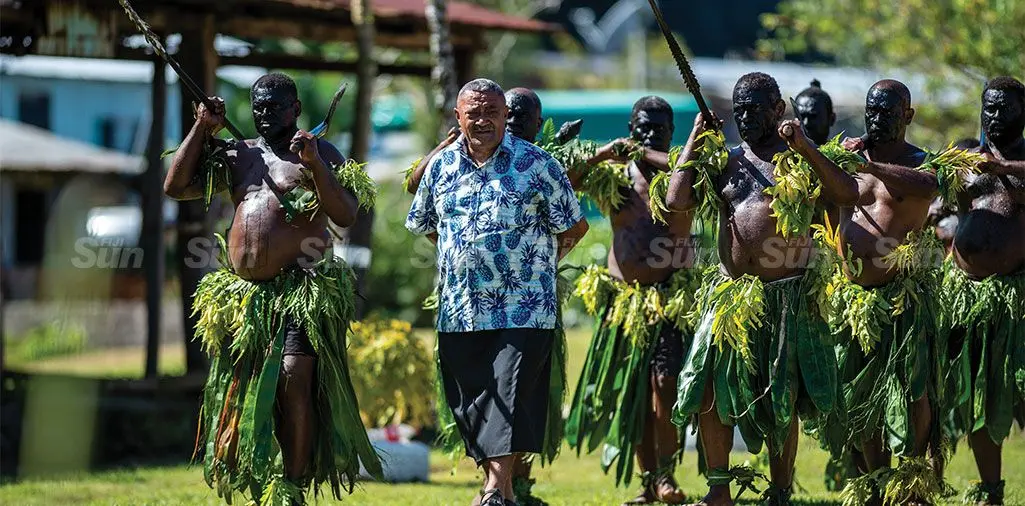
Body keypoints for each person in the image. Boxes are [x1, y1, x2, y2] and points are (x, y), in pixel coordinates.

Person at [164, 73, 380, 505]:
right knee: (256, 391)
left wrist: (315, 163)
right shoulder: (239, 155)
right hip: (248, 299)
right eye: (259, 107)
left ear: (296, 109)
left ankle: (293, 487)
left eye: (276, 107)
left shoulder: (320, 153)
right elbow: (176, 187)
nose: (265, 115)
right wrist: (202, 128)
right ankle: (265, 473)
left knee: (294, 378)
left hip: (304, 290)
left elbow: (346, 215)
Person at [405, 78, 589, 506]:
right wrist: (462, 255)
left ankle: (492, 489)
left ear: (507, 115)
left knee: (507, 391)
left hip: (523, 306)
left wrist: (540, 261)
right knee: (472, 401)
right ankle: (502, 492)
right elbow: (426, 224)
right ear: (458, 117)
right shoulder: (442, 166)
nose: (483, 120)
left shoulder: (537, 164)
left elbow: (575, 227)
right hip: (461, 308)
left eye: (492, 112)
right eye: (474, 113)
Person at [662, 72, 838, 506]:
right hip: (732, 298)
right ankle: (718, 488)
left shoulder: (800, 159)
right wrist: (695, 138)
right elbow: (676, 201)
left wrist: (805, 147)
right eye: (739, 110)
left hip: (787, 297)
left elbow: (847, 193)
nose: (746, 117)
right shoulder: (725, 160)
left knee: (783, 395)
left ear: (778, 110)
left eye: (756, 108)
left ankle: (779, 492)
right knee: (707, 389)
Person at [785, 79, 943, 504]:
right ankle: (874, 483)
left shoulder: (920, 161)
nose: (878, 118)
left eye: (888, 111)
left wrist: (871, 166)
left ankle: (911, 483)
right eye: (873, 110)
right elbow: (834, 192)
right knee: (855, 394)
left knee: (911, 391)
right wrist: (805, 148)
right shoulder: (846, 157)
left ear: (907, 116)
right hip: (852, 300)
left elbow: (929, 187)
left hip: (901, 298)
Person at [565, 95, 699, 506]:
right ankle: (650, 481)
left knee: (665, 384)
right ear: (630, 125)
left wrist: (651, 153)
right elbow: (562, 184)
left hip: (669, 297)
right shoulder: (614, 176)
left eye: (659, 128)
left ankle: (666, 473)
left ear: (671, 132)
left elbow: (685, 176)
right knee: (632, 390)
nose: (650, 133)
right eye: (643, 126)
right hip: (623, 300)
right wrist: (603, 153)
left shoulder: (683, 172)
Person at [943, 76, 1025, 506]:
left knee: (1021, 392)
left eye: (1004, 109)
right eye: (988, 108)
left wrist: (1004, 170)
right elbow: (955, 207)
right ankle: (991, 490)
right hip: (970, 296)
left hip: (1016, 301)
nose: (993, 117)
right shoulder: (966, 157)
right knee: (976, 396)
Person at [793, 79, 840, 228]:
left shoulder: (844, 162)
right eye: (801, 117)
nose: (806, 123)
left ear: (831, 119)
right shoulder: (785, 161)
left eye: (813, 116)